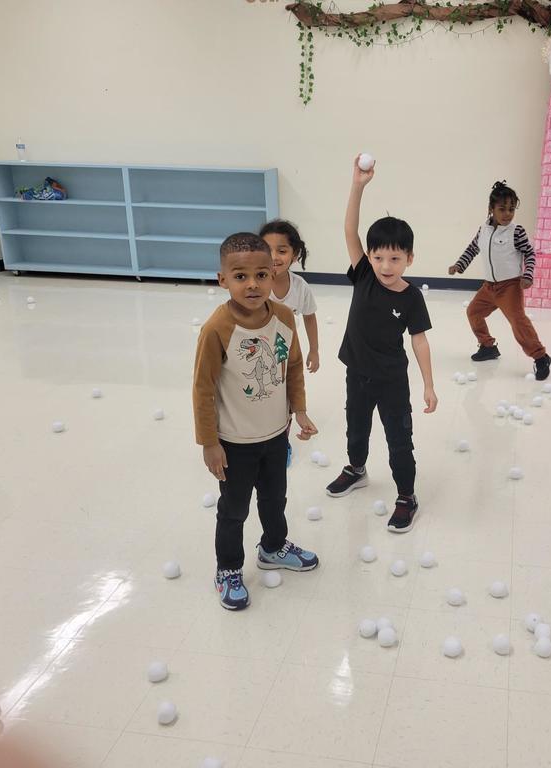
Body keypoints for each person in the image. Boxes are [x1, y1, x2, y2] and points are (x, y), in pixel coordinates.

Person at [193, 232, 320, 611]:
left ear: (274, 274)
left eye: (261, 275)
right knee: (234, 509)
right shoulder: (217, 329)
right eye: (240, 276)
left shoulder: (283, 316)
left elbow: (293, 365)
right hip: (233, 442)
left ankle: (273, 546)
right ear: (223, 280)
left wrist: (299, 410)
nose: (252, 284)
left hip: (275, 434)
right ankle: (228, 568)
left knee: (274, 497)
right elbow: (203, 389)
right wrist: (209, 442)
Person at [325, 156, 437, 534]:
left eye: (395, 257)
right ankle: (356, 469)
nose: (385, 265)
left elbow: (419, 341)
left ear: (409, 258)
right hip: (357, 373)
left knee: (398, 440)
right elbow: (349, 231)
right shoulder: (364, 278)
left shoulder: (410, 298)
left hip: (391, 380)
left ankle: (407, 495)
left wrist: (429, 385)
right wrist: (357, 186)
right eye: (378, 256)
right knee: (355, 427)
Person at [448, 180, 551, 380]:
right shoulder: (483, 230)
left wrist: (528, 275)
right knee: (473, 312)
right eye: (502, 209)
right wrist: (459, 265)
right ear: (491, 209)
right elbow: (472, 248)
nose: (507, 214)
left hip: (510, 287)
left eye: (511, 209)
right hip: (489, 287)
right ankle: (488, 346)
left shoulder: (516, 231)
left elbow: (530, 253)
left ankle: (540, 357)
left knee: (518, 322)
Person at [260, 219, 321, 468]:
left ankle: (281, 444)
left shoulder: (300, 287)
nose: (274, 256)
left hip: (284, 356)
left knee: (283, 403)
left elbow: (309, 316)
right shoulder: (255, 283)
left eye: (282, 250)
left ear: (295, 255)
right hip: (255, 354)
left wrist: (314, 350)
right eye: (267, 249)